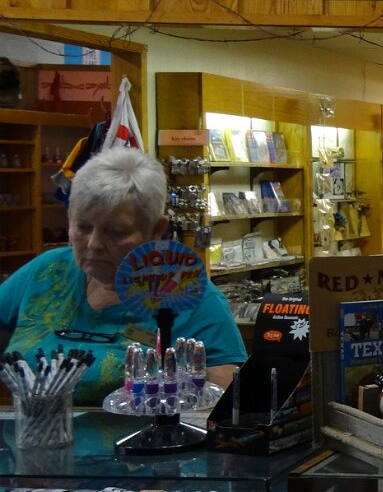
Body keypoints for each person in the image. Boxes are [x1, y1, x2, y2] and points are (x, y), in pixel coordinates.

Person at [0, 146, 246, 405]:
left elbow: (225, 406)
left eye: (115, 232)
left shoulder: (194, 299)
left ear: (156, 230)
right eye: (82, 227)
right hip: (30, 428)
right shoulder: (47, 271)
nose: (94, 244)